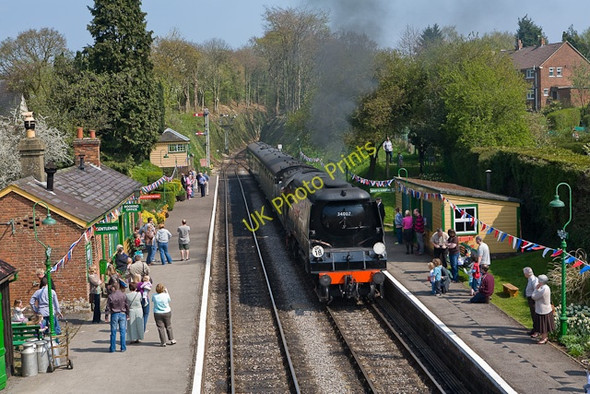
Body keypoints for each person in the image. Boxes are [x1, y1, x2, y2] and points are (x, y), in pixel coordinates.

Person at [105, 280, 129, 352]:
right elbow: (127, 305)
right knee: (122, 331)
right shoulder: (123, 295)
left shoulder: (111, 296)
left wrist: (106, 316)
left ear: (113, 288)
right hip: (122, 313)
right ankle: (123, 347)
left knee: (113, 331)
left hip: (114, 314)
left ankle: (112, 348)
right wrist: (128, 314)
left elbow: (108, 307)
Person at [531, 274, 554, 344]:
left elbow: (534, 297)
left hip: (543, 310)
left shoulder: (543, 289)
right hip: (544, 309)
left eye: (539, 280)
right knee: (543, 324)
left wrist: (535, 289)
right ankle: (543, 337)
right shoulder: (546, 287)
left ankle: (544, 338)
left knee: (543, 325)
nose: (538, 282)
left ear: (541, 281)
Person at [523, 267, 539, 336]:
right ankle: (534, 329)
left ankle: (536, 330)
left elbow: (536, 289)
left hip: (533, 300)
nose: (524, 275)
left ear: (527, 274)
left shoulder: (533, 280)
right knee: (533, 315)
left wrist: (533, 296)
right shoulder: (530, 279)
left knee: (534, 315)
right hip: (530, 299)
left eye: (524, 273)